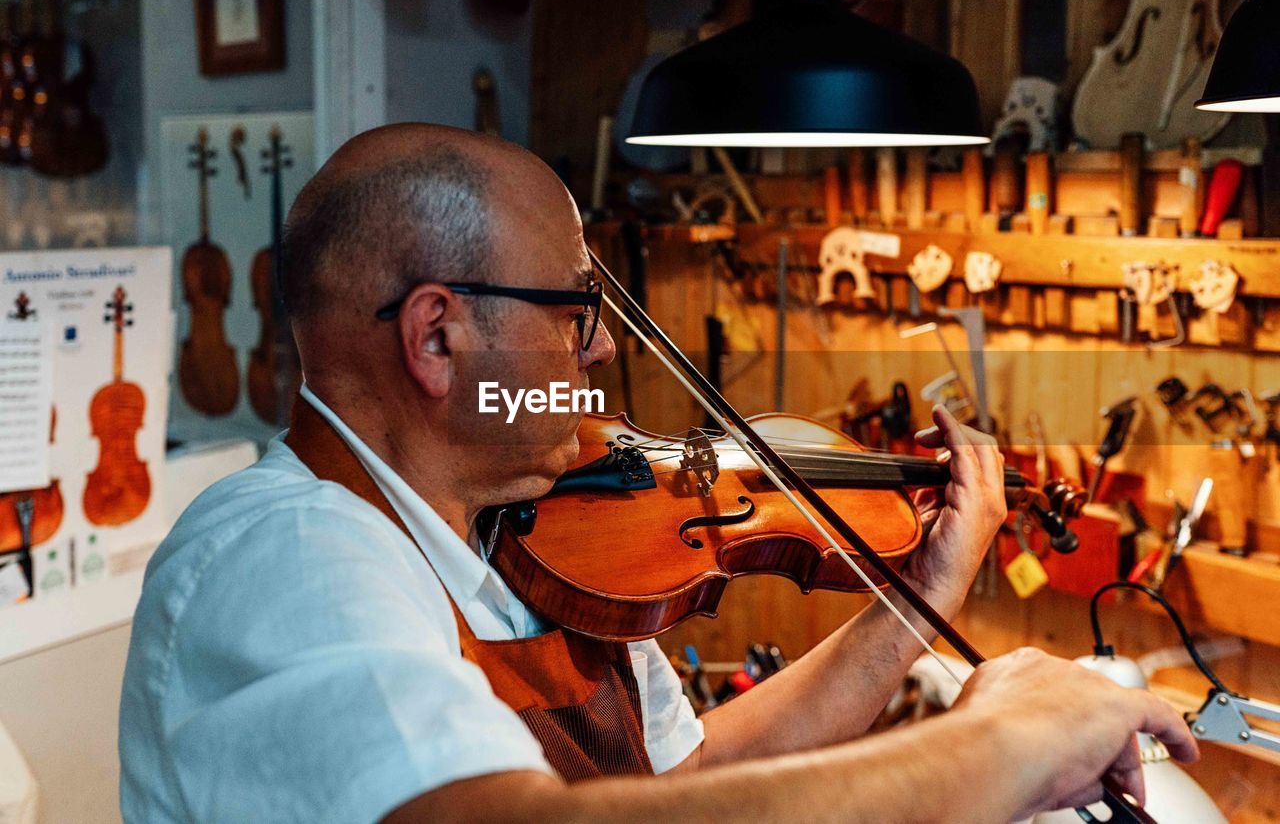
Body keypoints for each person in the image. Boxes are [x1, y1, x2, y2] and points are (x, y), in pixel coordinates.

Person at [119, 123, 1196, 823]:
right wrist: (996, 743)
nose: (597, 352)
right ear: (436, 339)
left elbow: (684, 787)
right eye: (574, 311)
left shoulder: (511, 540)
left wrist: (907, 610)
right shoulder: (286, 555)